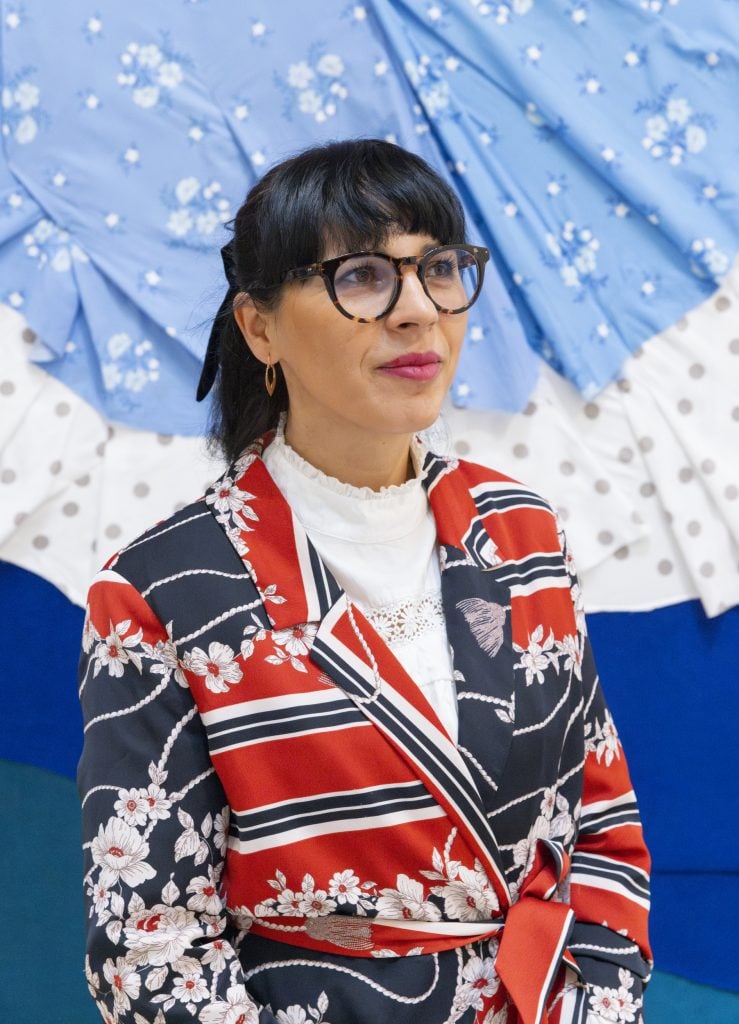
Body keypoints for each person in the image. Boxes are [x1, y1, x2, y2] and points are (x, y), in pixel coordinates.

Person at [78, 139, 651, 1024]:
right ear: (259, 325)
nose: (419, 311)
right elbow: (148, 948)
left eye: (440, 269)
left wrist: (598, 1003)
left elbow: (603, 822)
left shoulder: (521, 530)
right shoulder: (162, 591)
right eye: (361, 277)